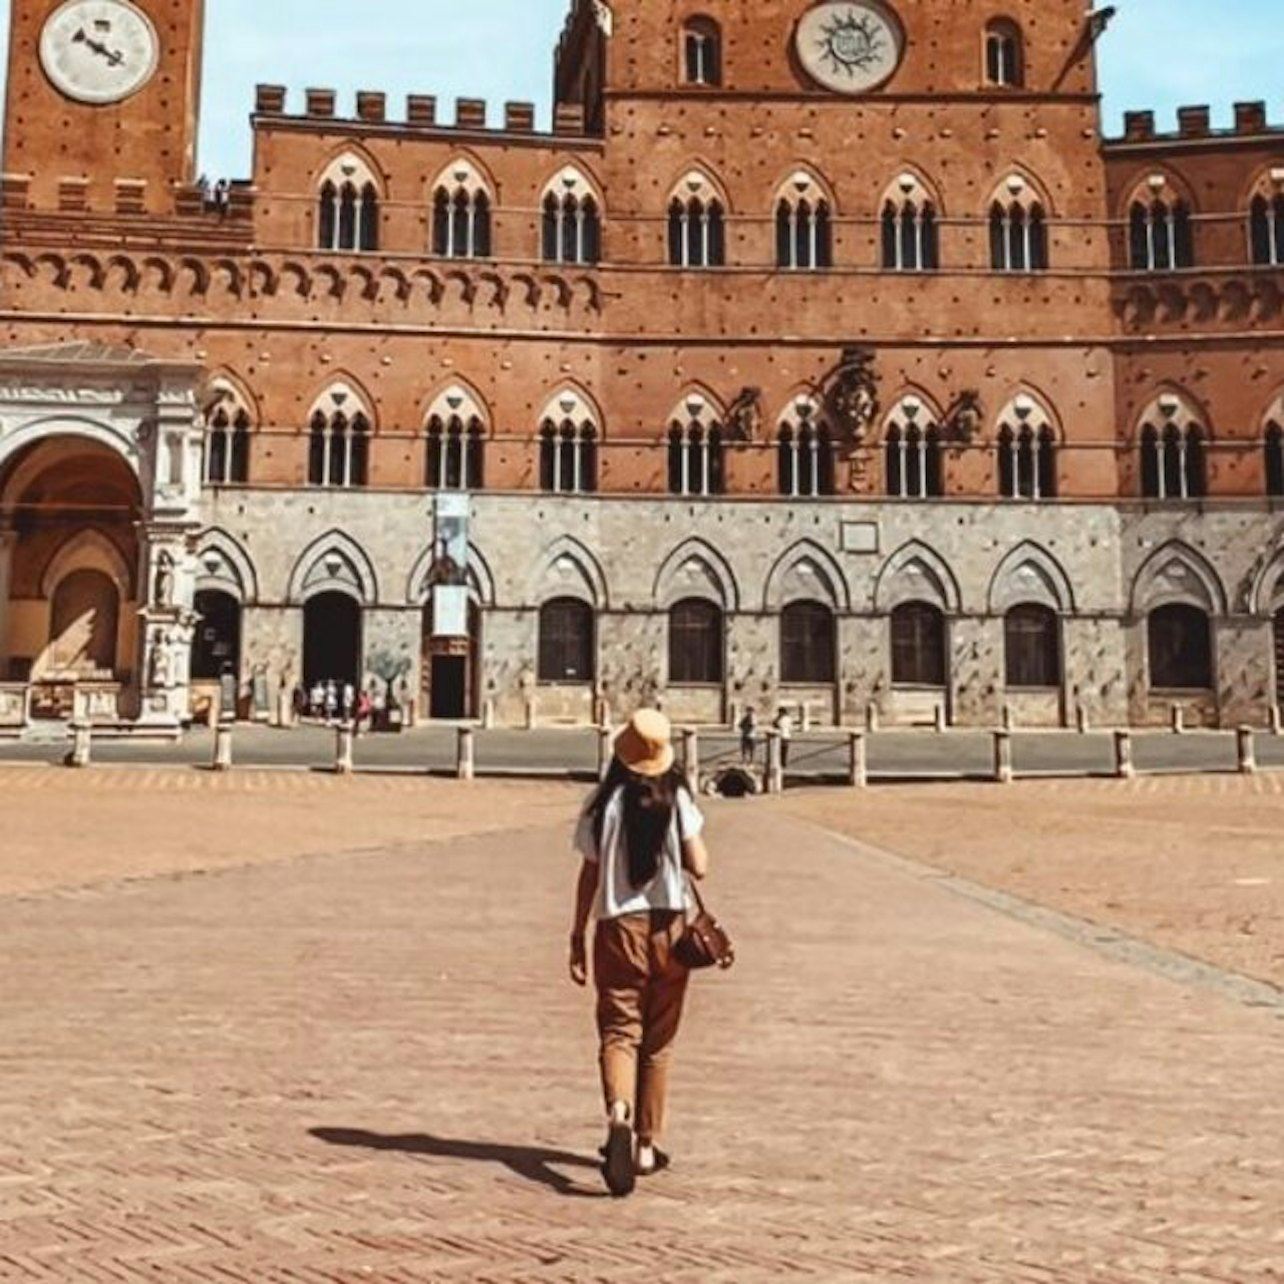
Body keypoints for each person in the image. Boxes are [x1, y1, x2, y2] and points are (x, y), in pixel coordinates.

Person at [569, 709, 710, 1198]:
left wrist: (575, 935)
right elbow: (701, 866)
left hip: (616, 928)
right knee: (659, 1040)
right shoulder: (678, 799)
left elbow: (588, 874)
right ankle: (648, 1146)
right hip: (671, 929)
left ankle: (619, 1115)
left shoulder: (602, 803)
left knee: (619, 1032)